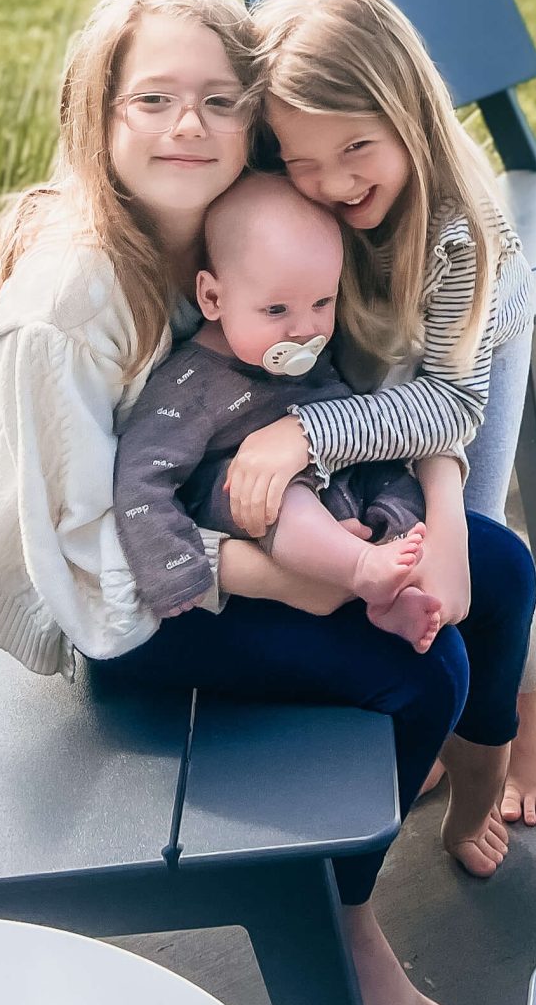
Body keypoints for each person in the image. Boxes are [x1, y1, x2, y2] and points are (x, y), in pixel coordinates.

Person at [0, 0, 513, 1005]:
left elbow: (349, 372)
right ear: (97, 112)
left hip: (243, 520)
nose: (189, 126)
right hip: (130, 608)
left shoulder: (241, 214)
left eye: (220, 100)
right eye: (153, 99)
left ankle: (469, 782)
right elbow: (85, 566)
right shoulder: (67, 307)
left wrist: (403, 509)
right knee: (423, 672)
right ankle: (346, 921)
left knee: (493, 569)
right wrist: (281, 578)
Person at [231, 0, 536, 871]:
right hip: (381, 349)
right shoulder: (306, 185)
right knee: (415, 537)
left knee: (481, 535)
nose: (331, 181)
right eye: (302, 160)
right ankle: (454, 716)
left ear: (409, 114)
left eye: (355, 148)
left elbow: (449, 404)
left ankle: (533, 711)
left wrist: (309, 436)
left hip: (471, 346)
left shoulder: (460, 229)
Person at [114, 174, 445, 650]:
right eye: (276, 309)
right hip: (250, 496)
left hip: (333, 476)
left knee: (394, 477)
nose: (305, 329)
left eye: (322, 302)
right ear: (212, 297)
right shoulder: (188, 385)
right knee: (279, 496)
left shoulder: (308, 348)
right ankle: (359, 567)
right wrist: (174, 569)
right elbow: (141, 476)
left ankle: (389, 588)